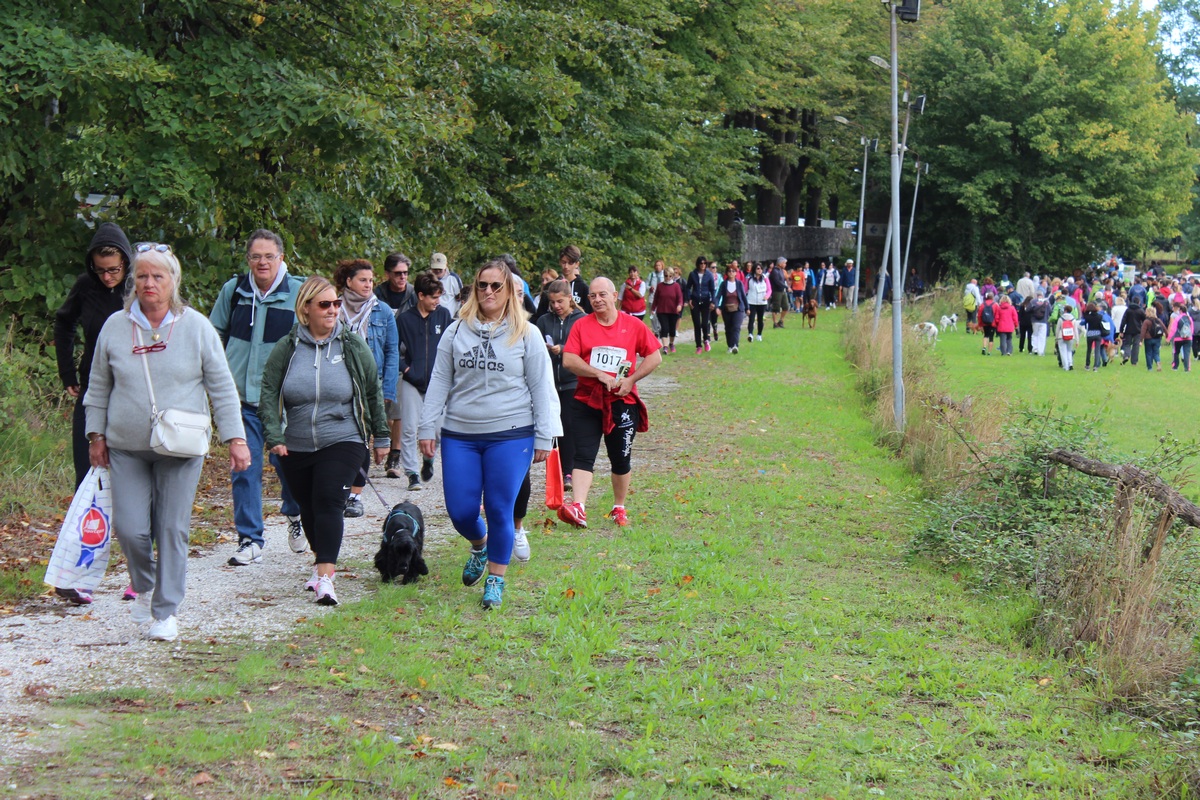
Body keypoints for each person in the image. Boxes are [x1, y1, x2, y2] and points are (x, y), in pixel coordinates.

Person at [85, 243, 249, 642]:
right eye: (142, 276)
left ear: (173, 281)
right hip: (127, 445)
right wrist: (96, 434)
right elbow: (98, 385)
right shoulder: (115, 326)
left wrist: (235, 438)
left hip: (181, 446)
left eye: (158, 276)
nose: (149, 283)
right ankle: (144, 586)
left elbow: (222, 386)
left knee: (171, 527)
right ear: (132, 282)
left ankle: (165, 610)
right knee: (130, 529)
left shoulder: (195, 327)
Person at [418, 260, 559, 609]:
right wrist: (426, 425)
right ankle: (479, 545)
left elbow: (542, 387)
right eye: (482, 285)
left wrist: (545, 435)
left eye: (497, 285)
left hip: (511, 434)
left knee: (499, 507)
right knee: (461, 510)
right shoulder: (456, 331)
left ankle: (496, 579)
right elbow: (439, 380)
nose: (489, 291)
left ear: (509, 290)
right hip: (461, 433)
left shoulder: (526, 333)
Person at [260, 277, 390, 606]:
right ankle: (321, 562)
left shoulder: (351, 345)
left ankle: (326, 578)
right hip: (296, 441)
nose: (333, 310)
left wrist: (381, 435)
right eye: (324, 304)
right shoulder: (287, 348)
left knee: (329, 499)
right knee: (307, 505)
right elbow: (269, 391)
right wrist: (274, 435)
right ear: (305, 309)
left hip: (344, 436)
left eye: (336, 304)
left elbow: (372, 389)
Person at [209, 229, 305, 565]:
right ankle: (250, 539)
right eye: (255, 256)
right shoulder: (234, 291)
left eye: (269, 256)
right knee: (244, 468)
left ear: (281, 258)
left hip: (283, 402)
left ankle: (295, 512)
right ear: (248, 259)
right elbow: (214, 335)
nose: (262, 262)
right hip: (241, 400)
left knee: (288, 467)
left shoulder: (299, 293)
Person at [558, 277, 663, 529]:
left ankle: (619, 507)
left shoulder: (633, 325)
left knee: (620, 458)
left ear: (615, 296)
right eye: (592, 296)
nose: (597, 300)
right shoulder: (582, 325)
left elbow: (654, 356)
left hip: (621, 400)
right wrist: (598, 374)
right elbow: (569, 360)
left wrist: (631, 380)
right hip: (587, 400)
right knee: (583, 455)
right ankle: (579, 507)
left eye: (602, 295)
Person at [55, 222, 133, 490]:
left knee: (128, 470)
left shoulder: (140, 287)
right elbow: (64, 322)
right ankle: (87, 516)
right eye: (100, 270)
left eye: (113, 270)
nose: (107, 277)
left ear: (125, 262)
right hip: (92, 387)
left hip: (131, 391)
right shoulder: (86, 286)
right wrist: (67, 372)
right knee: (86, 467)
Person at [334, 259, 399, 516]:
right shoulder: (333, 307)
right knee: (340, 438)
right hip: (338, 382)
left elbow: (392, 351)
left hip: (371, 384)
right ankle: (339, 488)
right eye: (363, 280)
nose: (368, 285)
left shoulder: (383, 311)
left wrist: (388, 390)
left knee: (362, 437)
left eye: (371, 280)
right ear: (348, 281)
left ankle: (355, 494)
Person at [396, 271, 454, 491]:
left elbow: (453, 345)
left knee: (439, 430)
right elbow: (393, 349)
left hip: (438, 383)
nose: (437, 302)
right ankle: (412, 473)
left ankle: (429, 458)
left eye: (439, 297)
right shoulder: (404, 319)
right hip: (412, 380)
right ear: (421, 295)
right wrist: (406, 368)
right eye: (433, 297)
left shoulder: (444, 315)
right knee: (410, 428)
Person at [537, 279, 586, 498]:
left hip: (572, 381)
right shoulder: (543, 321)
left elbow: (586, 348)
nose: (556, 306)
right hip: (548, 382)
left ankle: (569, 471)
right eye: (552, 302)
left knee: (567, 425)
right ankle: (554, 470)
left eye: (560, 301)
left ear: (570, 299)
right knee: (550, 427)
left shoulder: (581, 320)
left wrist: (564, 349)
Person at [374, 253, 415, 474]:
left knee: (397, 407)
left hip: (402, 356)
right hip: (377, 353)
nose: (402, 278)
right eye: (398, 273)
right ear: (388, 274)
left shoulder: (413, 295)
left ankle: (395, 454)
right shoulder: (376, 295)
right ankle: (383, 441)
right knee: (380, 406)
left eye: (405, 273)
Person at [650, 267, 684, 353]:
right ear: (664, 275)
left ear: (672, 276)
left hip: (673, 311)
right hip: (662, 311)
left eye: (670, 276)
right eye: (666, 276)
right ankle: (665, 346)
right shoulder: (660, 286)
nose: (668, 278)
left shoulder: (676, 286)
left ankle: (671, 343)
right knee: (664, 328)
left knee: (672, 330)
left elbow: (680, 298)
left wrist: (679, 305)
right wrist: (653, 308)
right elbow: (656, 298)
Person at [686, 256, 716, 353]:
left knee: (704, 323)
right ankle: (698, 345)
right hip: (695, 301)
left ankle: (706, 340)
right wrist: (689, 299)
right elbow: (687, 288)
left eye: (704, 263)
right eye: (701, 263)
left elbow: (712, 290)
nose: (703, 265)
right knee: (697, 324)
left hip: (705, 300)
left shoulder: (709, 275)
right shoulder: (692, 274)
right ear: (698, 264)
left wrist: (713, 301)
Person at [717, 263, 748, 354]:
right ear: (727, 273)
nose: (731, 272)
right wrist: (717, 307)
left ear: (736, 273)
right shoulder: (723, 284)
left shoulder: (739, 284)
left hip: (738, 309)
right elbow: (718, 296)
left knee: (736, 327)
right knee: (728, 328)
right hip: (726, 309)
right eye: (729, 271)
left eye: (733, 271)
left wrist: (747, 308)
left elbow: (743, 296)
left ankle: (735, 345)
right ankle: (730, 346)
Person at [430, 252, 464, 317]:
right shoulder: (427, 279)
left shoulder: (453, 278)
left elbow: (461, 298)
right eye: (435, 269)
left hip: (450, 317)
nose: (437, 271)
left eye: (440, 269)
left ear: (446, 266)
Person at [745, 263, 769, 343]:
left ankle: (759, 334)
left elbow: (769, 289)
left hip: (762, 302)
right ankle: (750, 334)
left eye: (761, 268)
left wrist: (767, 296)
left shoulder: (765, 278)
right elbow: (745, 289)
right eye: (758, 268)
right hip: (751, 301)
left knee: (760, 319)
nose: (760, 270)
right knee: (751, 319)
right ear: (754, 269)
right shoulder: (749, 278)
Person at [1167, 300, 1193, 372]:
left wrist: (1169, 338)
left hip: (1178, 338)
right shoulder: (1189, 318)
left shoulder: (1177, 318)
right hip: (1188, 338)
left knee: (1176, 352)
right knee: (1187, 353)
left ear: (1180, 310)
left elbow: (1173, 329)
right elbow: (1192, 329)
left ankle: (1175, 367)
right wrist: (1190, 336)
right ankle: (1187, 368)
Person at [1119, 300, 1145, 366]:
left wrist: (1121, 331)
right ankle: (1134, 362)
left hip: (1128, 330)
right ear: (1139, 302)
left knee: (1127, 344)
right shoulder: (1140, 311)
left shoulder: (1128, 310)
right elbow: (1144, 320)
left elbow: (1123, 321)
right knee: (1136, 346)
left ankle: (1126, 355)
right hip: (1138, 330)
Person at [1082, 302, 1105, 371]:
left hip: (1090, 334)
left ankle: (1087, 365)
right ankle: (1095, 366)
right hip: (1098, 334)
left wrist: (1087, 311)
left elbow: (1084, 316)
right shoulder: (1100, 316)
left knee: (1089, 349)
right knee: (1097, 350)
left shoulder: (1088, 317)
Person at [1142, 306, 1165, 372]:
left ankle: (1150, 368)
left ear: (1149, 312)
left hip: (1148, 339)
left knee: (1148, 353)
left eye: (1146, 312)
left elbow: (1143, 331)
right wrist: (1167, 335)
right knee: (1156, 353)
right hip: (1157, 339)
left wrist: (1140, 340)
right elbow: (1164, 328)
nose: (1145, 313)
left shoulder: (1146, 321)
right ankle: (1158, 361)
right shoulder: (1158, 320)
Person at [1054, 307, 1078, 371]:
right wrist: (1077, 340)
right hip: (1071, 336)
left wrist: (1056, 338)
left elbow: (1057, 329)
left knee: (1063, 352)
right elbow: (1075, 330)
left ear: (1065, 310)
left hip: (1061, 336)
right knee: (1069, 350)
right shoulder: (1073, 319)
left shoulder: (1061, 319)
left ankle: (1065, 366)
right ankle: (1070, 364)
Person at [768, 258, 789, 328]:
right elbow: (777, 282)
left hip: (782, 291)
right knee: (776, 308)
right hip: (776, 291)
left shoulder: (781, 270)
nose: (785, 264)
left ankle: (781, 321)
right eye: (784, 263)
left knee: (786, 307)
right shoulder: (774, 271)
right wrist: (786, 287)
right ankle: (775, 323)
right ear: (780, 264)